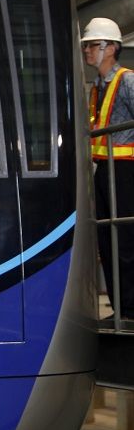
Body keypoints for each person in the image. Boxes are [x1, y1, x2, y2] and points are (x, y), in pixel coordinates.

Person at [82, 17, 134, 319]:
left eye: (92, 45)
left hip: (125, 171)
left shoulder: (126, 80)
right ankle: (121, 308)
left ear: (110, 48)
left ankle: (129, 308)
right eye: (87, 46)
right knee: (109, 241)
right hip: (105, 171)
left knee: (124, 240)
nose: (87, 51)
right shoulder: (97, 87)